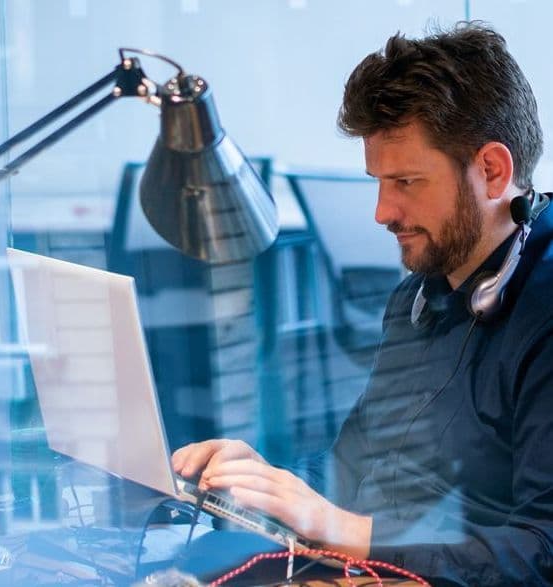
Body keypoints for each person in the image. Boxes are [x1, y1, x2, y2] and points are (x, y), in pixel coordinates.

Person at [172, 22, 553, 586]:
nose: (382, 212)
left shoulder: (542, 310)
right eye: (377, 181)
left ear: (492, 171)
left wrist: (348, 532)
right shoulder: (418, 298)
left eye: (406, 182)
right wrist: (260, 483)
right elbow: (350, 473)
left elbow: (542, 551)